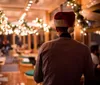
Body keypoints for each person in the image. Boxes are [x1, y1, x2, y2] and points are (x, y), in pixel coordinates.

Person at [34, 12, 94, 85]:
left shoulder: (45, 47)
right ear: (72, 28)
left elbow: (37, 78)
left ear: (56, 29)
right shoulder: (84, 49)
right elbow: (90, 79)